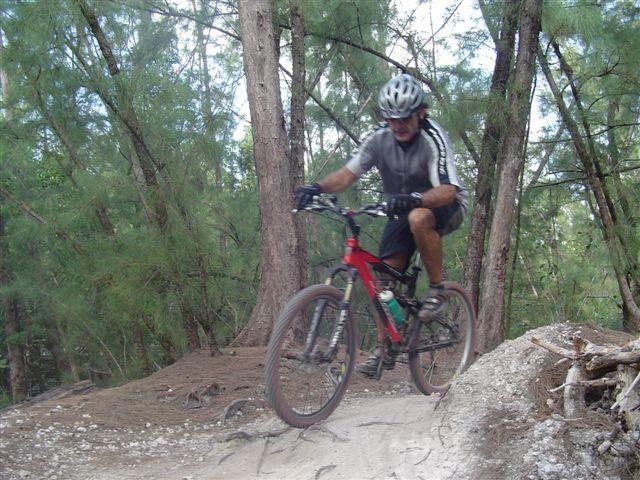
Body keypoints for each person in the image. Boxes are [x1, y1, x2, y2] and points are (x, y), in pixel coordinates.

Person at [294, 73, 468, 377]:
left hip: (442, 205)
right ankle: (385, 346)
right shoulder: (379, 138)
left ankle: (438, 289)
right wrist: (316, 187)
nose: (398, 125)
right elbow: (347, 174)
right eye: (391, 118)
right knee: (382, 280)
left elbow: (448, 190)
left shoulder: (433, 138)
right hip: (400, 209)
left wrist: (416, 198)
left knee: (418, 217)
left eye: (405, 118)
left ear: (420, 113)